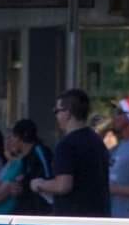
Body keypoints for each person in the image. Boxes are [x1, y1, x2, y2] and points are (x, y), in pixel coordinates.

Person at [30, 88, 110, 217]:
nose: (56, 116)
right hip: (99, 217)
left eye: (57, 111)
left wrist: (39, 184)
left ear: (67, 113)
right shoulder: (97, 141)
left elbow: (63, 185)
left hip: (73, 220)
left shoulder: (66, 145)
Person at [10, 118, 53, 215]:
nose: (11, 141)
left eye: (14, 136)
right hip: (27, 210)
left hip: (41, 211)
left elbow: (48, 176)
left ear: (22, 137)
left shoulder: (40, 151)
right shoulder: (24, 159)